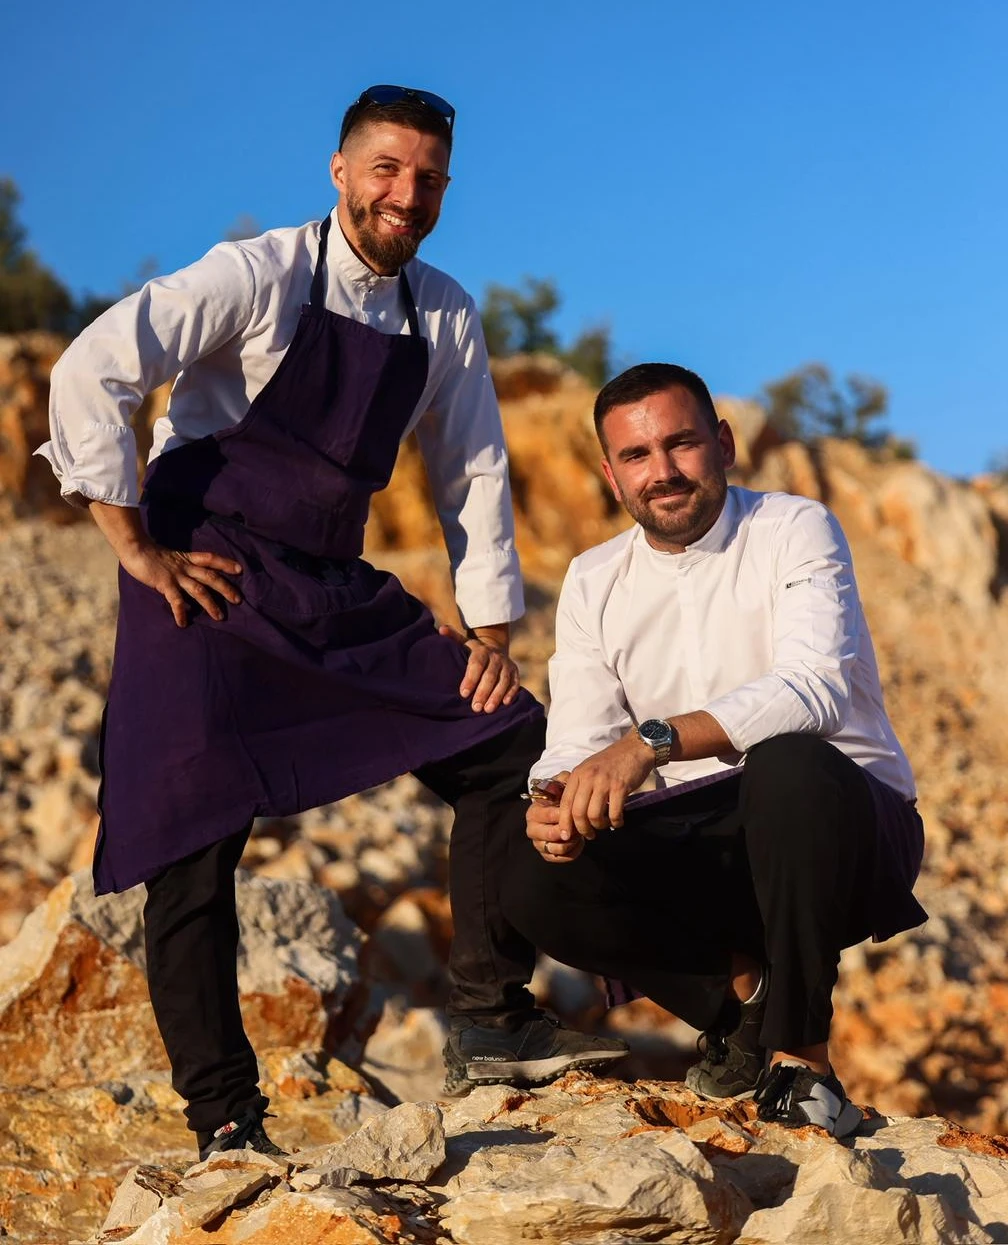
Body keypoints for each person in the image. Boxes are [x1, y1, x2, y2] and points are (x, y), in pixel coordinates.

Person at [37, 84, 625, 1159]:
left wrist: (489, 635)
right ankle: (226, 1122)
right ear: (340, 171)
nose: (406, 195)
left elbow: (473, 465)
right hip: (204, 571)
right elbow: (95, 366)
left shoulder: (442, 312)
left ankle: (491, 1019)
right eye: (386, 169)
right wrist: (135, 548)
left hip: (326, 579)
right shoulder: (255, 273)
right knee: (192, 839)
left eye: (429, 178)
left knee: (507, 740)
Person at [503, 362, 927, 1139]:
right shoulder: (593, 579)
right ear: (610, 474)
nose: (661, 471)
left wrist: (652, 741)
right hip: (703, 842)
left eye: (681, 443)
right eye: (636, 455)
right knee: (529, 868)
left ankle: (804, 1066)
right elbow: (579, 737)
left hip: (844, 825)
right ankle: (742, 1008)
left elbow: (814, 690)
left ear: (724, 444)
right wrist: (556, 797)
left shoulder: (794, 527)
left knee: (787, 762)